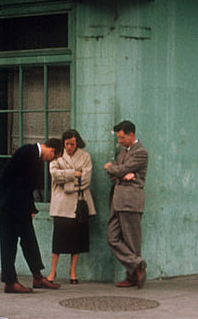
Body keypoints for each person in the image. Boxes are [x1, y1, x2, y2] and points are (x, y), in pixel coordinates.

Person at [0, 138, 64, 294]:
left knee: (29, 240)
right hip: (9, 204)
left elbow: (27, 186)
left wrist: (30, 208)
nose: (52, 160)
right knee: (9, 243)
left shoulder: (34, 157)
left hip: (21, 206)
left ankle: (37, 276)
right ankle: (10, 282)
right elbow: (7, 170)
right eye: (55, 157)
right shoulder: (27, 151)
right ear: (51, 150)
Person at [104, 119, 148, 288]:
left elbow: (116, 169)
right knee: (112, 237)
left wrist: (114, 169)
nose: (119, 141)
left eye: (122, 138)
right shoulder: (122, 153)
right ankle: (137, 264)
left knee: (132, 240)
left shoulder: (141, 152)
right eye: (118, 138)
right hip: (117, 200)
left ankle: (133, 276)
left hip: (130, 200)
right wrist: (121, 173)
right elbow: (115, 174)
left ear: (131, 135)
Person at [47, 129, 95, 284]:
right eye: (66, 144)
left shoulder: (85, 157)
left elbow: (86, 180)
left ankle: (73, 272)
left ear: (77, 143)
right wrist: (75, 173)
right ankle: (52, 273)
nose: (69, 147)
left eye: (72, 144)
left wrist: (66, 181)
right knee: (58, 241)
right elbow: (54, 175)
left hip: (78, 204)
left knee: (77, 241)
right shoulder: (57, 155)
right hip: (62, 206)